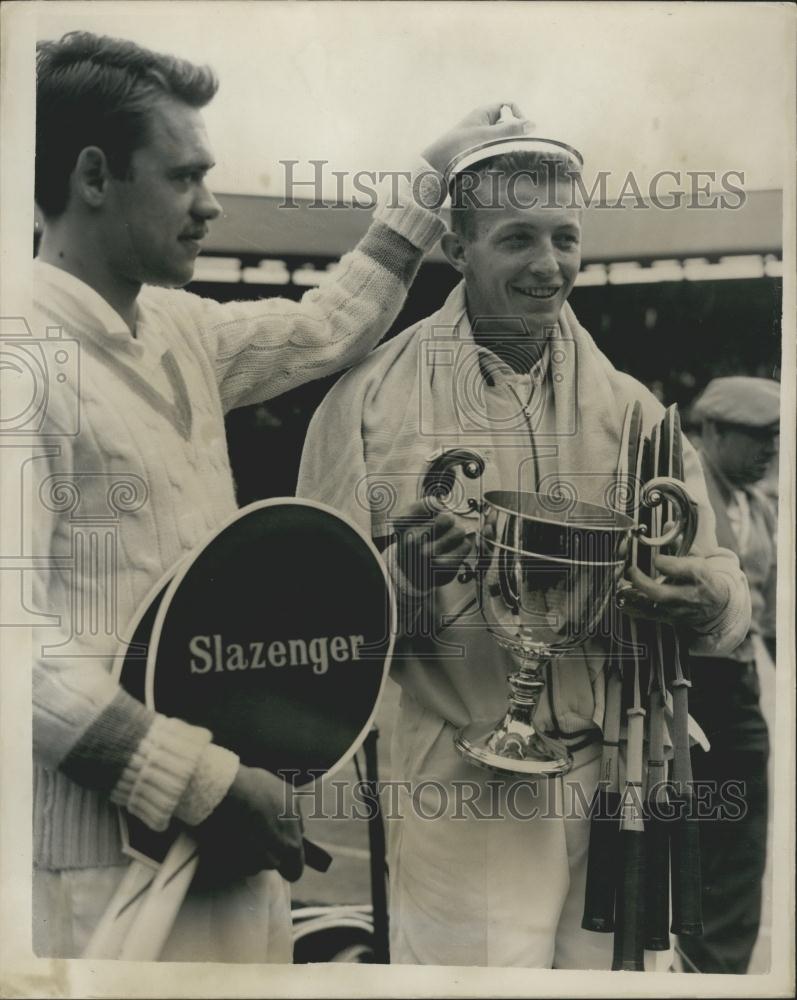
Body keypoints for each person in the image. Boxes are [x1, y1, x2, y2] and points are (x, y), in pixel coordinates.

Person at [30, 29, 528, 961]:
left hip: (228, 835)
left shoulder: (175, 324)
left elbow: (325, 325)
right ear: (94, 177)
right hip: (92, 873)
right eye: (184, 177)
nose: (210, 204)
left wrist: (430, 177)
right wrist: (203, 784)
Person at [297, 144, 752, 968]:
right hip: (459, 776)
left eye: (565, 237)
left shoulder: (636, 411)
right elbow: (314, 630)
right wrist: (396, 589)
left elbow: (724, 586)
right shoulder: (368, 401)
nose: (549, 266)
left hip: (620, 767)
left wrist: (706, 601)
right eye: (516, 239)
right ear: (455, 247)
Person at [678, 376, 779, 974]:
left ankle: (722, 971)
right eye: (756, 437)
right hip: (686, 682)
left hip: (737, 691)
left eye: (776, 439)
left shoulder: (759, 505)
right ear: (711, 431)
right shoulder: (690, 500)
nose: (770, 450)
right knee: (684, 833)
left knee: (740, 838)